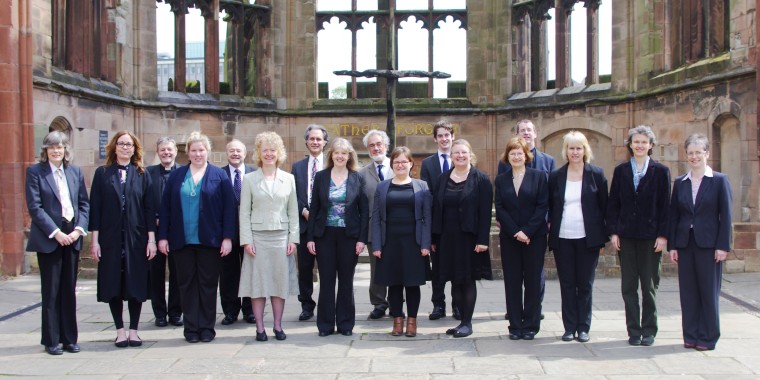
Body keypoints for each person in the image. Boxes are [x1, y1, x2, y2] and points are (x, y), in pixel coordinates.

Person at [158, 131, 236, 343]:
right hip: (181, 241)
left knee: (208, 285)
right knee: (186, 285)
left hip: (210, 241)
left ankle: (207, 329)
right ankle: (191, 329)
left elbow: (229, 209)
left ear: (208, 151)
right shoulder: (176, 176)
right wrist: (162, 236)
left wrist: (228, 237)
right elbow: (165, 208)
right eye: (194, 150)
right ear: (187, 152)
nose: (198, 154)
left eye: (201, 150)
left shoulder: (219, 176)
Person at [89, 130, 156, 348]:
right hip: (110, 238)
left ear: (135, 149)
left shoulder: (142, 174)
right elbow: (95, 209)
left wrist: (151, 240)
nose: (125, 147)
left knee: (135, 283)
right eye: (121, 144)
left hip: (136, 238)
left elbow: (149, 209)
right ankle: (119, 330)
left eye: (129, 144)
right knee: (113, 283)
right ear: (114, 147)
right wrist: (95, 241)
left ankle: (134, 330)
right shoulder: (103, 173)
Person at [25, 131, 90, 355]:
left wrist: (79, 230)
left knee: (69, 290)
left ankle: (69, 338)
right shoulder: (35, 172)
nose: (56, 151)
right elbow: (35, 208)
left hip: (72, 236)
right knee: (51, 291)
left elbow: (84, 204)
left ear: (66, 150)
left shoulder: (75, 172)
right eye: (52, 147)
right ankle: (51, 340)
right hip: (50, 238)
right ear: (46, 150)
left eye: (60, 147)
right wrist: (56, 232)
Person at [606, 126, 670, 347]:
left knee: (649, 285)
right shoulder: (622, 171)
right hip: (626, 236)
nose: (640, 145)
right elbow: (613, 203)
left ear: (651, 145)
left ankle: (649, 330)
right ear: (630, 145)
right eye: (636, 142)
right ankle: (633, 330)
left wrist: (663, 235)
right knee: (629, 285)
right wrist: (614, 231)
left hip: (651, 237)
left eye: (644, 142)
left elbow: (665, 206)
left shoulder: (661, 171)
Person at [668, 133, 732, 351]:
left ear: (707, 153)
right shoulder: (680, 183)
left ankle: (707, 336)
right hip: (686, 244)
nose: (694, 157)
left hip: (709, 245)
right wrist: (673, 246)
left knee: (708, 291)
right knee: (688, 292)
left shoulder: (719, 181)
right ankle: (691, 334)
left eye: (698, 152)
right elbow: (674, 216)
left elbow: (726, 216)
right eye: (690, 153)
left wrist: (723, 246)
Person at [238, 132, 299, 342]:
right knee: (258, 285)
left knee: (278, 284)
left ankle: (278, 326)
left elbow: (293, 212)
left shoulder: (289, 179)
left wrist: (293, 239)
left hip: (281, 238)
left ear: (279, 152)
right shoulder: (249, 179)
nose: (269, 154)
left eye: (273, 150)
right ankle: (260, 328)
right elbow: (244, 212)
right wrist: (246, 240)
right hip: (257, 239)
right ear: (259, 153)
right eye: (265, 150)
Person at [548, 131, 608, 343]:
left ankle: (583, 327)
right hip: (563, 237)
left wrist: (602, 238)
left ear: (585, 150)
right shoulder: (556, 176)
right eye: (571, 148)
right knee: (567, 283)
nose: (575, 152)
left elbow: (604, 208)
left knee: (585, 284)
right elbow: (551, 206)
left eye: (579, 148)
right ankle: (569, 327)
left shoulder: (597, 174)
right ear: (566, 151)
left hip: (588, 238)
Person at [307, 138, 369, 337]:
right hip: (324, 235)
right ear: (331, 155)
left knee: (346, 281)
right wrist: (310, 238)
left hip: (349, 236)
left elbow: (364, 211)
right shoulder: (321, 177)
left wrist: (361, 239)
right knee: (326, 281)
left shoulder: (357, 178)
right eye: (336, 153)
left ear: (349, 156)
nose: (340, 156)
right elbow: (314, 209)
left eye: (344, 153)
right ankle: (325, 325)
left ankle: (345, 324)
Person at [431, 139, 493, 338]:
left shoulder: (481, 179)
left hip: (470, 239)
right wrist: (434, 238)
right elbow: (436, 210)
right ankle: (461, 323)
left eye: (463, 152)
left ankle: (467, 322)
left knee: (467, 280)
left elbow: (485, 213)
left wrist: (483, 240)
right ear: (451, 156)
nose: (460, 156)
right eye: (456, 153)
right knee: (454, 280)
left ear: (470, 154)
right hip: (446, 239)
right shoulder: (443, 178)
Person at [371, 146, 432, 337]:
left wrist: (425, 243)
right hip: (390, 241)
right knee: (394, 283)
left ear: (411, 164)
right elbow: (376, 216)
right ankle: (397, 321)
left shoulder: (421, 186)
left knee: (412, 283)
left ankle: (412, 322)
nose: (400, 165)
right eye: (396, 162)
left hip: (413, 242)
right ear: (392, 165)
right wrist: (377, 245)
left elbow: (427, 217)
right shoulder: (382, 187)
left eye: (404, 161)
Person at [498, 119, 555, 321]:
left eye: (529, 130)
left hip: (536, 231)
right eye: (522, 131)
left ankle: (533, 317)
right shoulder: (503, 174)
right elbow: (501, 205)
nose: (526, 133)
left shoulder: (544, 168)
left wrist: (529, 230)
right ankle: (514, 320)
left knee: (534, 278)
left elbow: (546, 202)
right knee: (512, 280)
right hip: (511, 233)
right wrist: (514, 230)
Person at [420, 120, 459, 321]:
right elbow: (427, 197)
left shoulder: (461, 158)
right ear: (435, 138)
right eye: (440, 135)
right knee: (438, 268)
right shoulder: (428, 164)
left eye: (447, 135)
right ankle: (438, 304)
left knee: (458, 266)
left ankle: (458, 305)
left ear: (453, 136)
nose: (444, 139)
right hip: (438, 225)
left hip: (459, 224)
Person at [292, 124, 328, 321]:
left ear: (324, 142)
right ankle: (306, 304)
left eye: (319, 139)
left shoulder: (331, 164)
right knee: (305, 269)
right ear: (306, 142)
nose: (315, 142)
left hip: (326, 226)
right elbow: (294, 194)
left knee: (326, 268)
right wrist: (304, 211)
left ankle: (326, 304)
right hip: (305, 225)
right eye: (312, 139)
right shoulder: (297, 167)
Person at [146, 137, 183, 328]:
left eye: (169, 149)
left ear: (175, 151)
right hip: (155, 231)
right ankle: (159, 313)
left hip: (177, 231)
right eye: (162, 150)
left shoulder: (185, 172)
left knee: (178, 273)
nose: (166, 153)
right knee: (156, 274)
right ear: (158, 152)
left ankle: (176, 313)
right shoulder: (147, 173)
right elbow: (144, 202)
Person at [220, 139, 256, 326]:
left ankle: (249, 311)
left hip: (250, 231)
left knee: (249, 270)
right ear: (227, 153)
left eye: (238, 151)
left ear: (245, 153)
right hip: (227, 231)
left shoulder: (254, 173)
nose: (235, 154)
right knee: (228, 273)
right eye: (232, 151)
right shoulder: (219, 174)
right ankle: (230, 311)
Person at [359, 129, 393, 320]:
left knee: (397, 266)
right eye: (371, 145)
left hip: (397, 227)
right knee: (376, 269)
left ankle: (397, 303)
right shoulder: (362, 174)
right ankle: (379, 303)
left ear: (386, 146)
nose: (376, 148)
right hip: (374, 229)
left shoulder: (398, 167)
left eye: (379, 144)